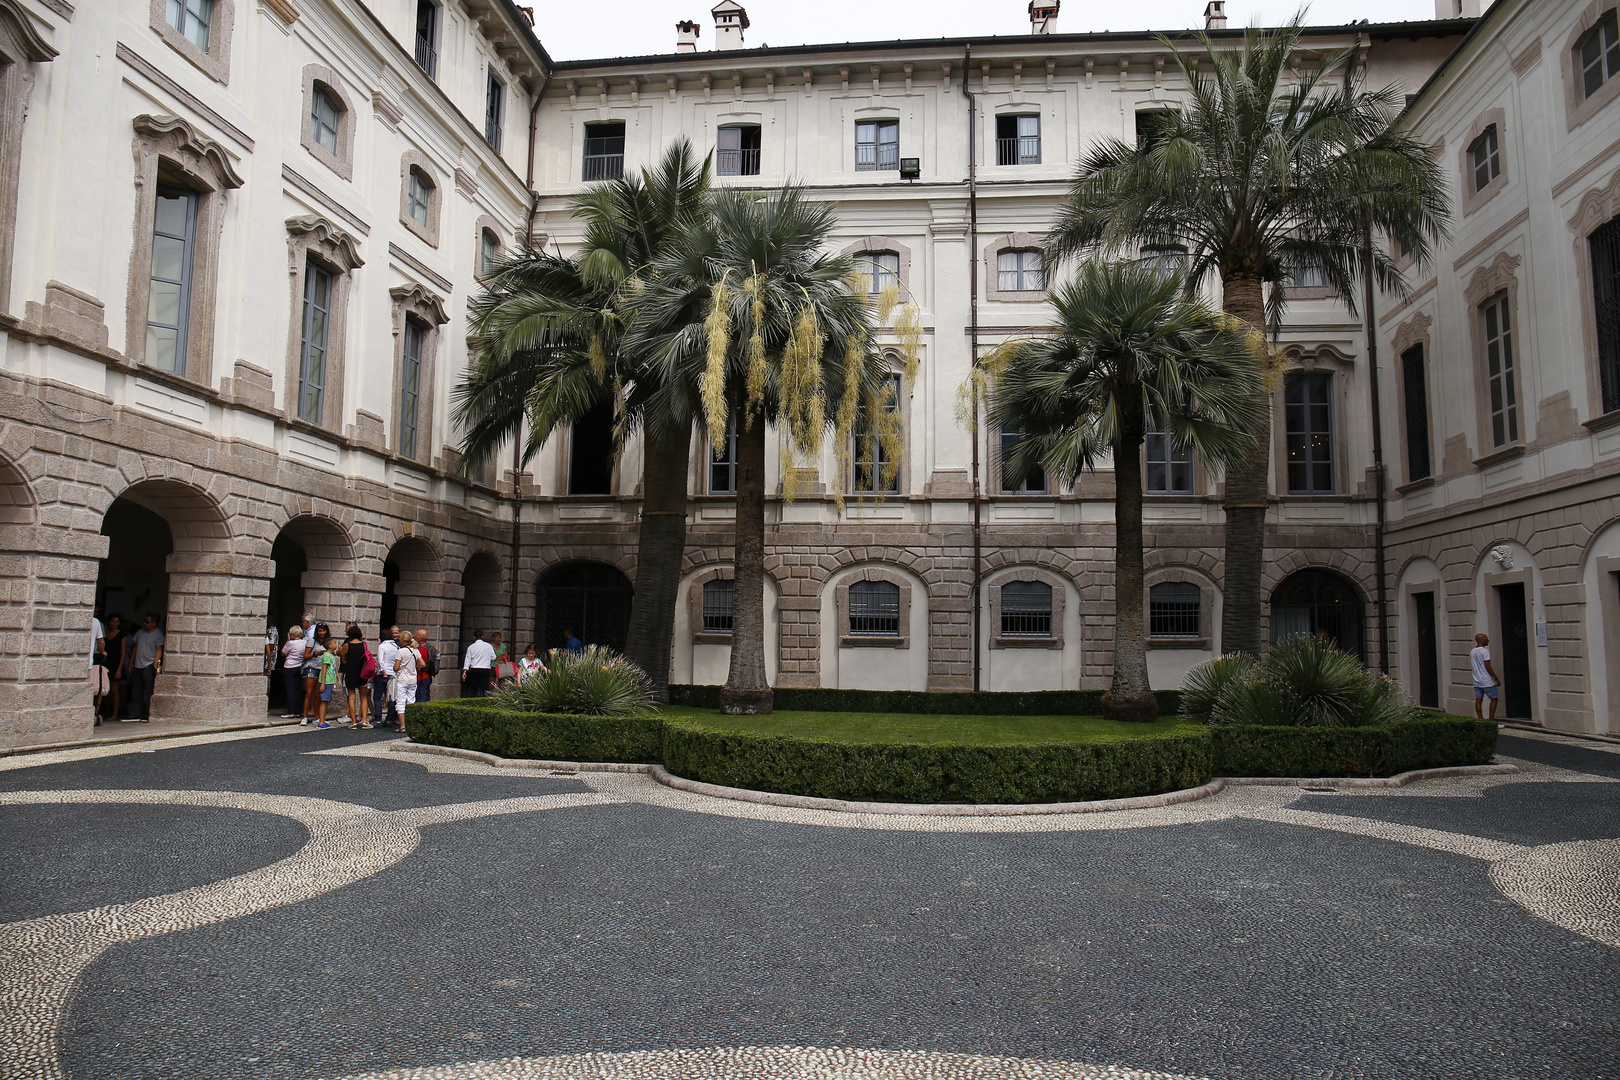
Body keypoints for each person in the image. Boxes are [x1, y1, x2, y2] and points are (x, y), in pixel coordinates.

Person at [126, 613, 165, 723]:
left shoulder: (158, 634)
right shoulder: (140, 632)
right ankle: (134, 714)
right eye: (144, 621)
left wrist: (156, 662)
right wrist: (131, 662)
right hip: (137, 664)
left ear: (154, 623)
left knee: (148, 690)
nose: (145, 624)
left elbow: (159, 649)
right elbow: (135, 646)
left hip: (149, 664)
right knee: (135, 690)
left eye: (147, 622)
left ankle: (146, 713)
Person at [340, 625, 373, 728]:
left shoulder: (346, 645)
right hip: (362, 672)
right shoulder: (363, 645)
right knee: (363, 697)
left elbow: (344, 660)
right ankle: (364, 720)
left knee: (351, 697)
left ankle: (353, 721)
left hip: (350, 672)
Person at [300, 623, 329, 723]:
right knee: (309, 692)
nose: (322, 633)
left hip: (322, 668)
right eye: (320, 631)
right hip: (311, 667)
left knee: (317, 694)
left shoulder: (328, 641)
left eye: (323, 631)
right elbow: (306, 655)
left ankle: (316, 717)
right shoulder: (312, 640)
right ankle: (304, 716)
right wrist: (316, 654)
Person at [102, 614, 129, 722]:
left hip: (116, 663)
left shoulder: (122, 635)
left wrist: (119, 669)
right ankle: (104, 709)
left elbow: (123, 653)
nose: (114, 624)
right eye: (112, 621)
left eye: (117, 622)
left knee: (114, 689)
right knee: (104, 688)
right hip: (105, 662)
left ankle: (115, 712)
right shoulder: (105, 634)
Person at [393, 628, 419, 733]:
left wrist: (401, 668)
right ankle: (411, 724)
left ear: (403, 640)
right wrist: (415, 667)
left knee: (400, 702)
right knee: (411, 701)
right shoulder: (415, 650)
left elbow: (396, 667)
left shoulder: (401, 651)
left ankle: (403, 726)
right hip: (413, 679)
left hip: (402, 679)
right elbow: (422, 663)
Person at [374, 625, 400, 730]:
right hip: (393, 674)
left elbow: (380, 660)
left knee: (377, 697)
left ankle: (378, 719)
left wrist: (383, 670)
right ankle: (389, 719)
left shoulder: (382, 646)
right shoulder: (396, 646)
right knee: (391, 697)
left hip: (382, 674)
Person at [1471, 632, 1501, 721]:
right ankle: (1491, 719)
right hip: (1487, 681)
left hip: (1477, 681)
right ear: (1481, 640)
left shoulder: (1472, 651)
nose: (1488, 640)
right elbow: (1487, 666)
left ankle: (1480, 719)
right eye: (1486, 639)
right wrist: (1495, 678)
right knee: (1494, 699)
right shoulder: (1484, 651)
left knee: (1478, 700)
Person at [281, 626, 306, 719]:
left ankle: (291, 711)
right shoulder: (304, 642)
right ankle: (297, 711)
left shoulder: (291, 643)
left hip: (289, 666)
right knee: (298, 689)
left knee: (290, 689)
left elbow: (283, 652)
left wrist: (287, 641)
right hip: (299, 666)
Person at [462, 631, 495, 697]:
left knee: (474, 688)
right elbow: (493, 657)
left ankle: (474, 702)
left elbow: (467, 660)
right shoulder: (488, 646)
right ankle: (485, 703)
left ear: (474, 637)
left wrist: (464, 672)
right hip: (485, 669)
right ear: (482, 637)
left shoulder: (471, 647)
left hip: (474, 669)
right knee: (485, 688)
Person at [315, 639, 339, 728]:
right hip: (327, 681)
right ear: (329, 646)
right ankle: (321, 721)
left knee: (327, 701)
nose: (336, 644)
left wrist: (338, 678)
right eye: (334, 643)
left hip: (330, 680)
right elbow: (324, 669)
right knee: (324, 701)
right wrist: (323, 683)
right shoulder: (327, 656)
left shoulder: (331, 655)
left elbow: (334, 668)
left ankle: (323, 720)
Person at [90, 612, 107, 726]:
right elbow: (101, 641)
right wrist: (102, 652)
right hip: (90, 663)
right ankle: (94, 712)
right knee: (94, 688)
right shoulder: (95, 622)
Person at [414, 628, 438, 701]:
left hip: (422, 677)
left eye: (416, 635)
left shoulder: (421, 650)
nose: (414, 637)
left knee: (421, 698)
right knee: (426, 696)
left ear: (420, 638)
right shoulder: (429, 647)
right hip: (427, 676)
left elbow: (421, 664)